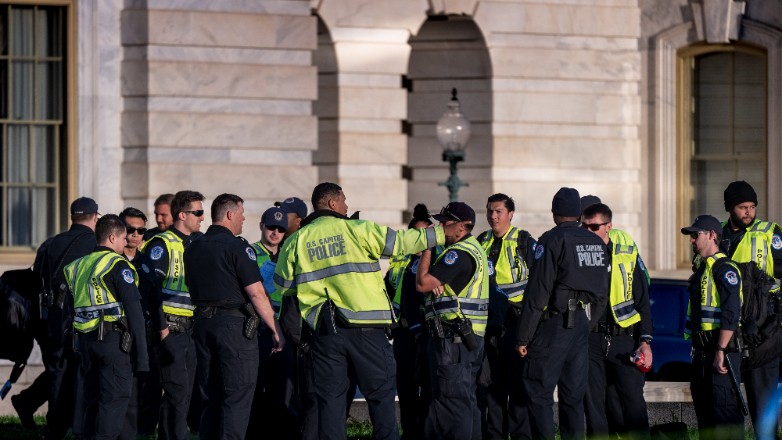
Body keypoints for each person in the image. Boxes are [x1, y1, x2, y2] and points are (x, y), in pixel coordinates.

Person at [274, 182, 450, 440]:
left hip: (324, 336)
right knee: (381, 401)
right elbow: (402, 242)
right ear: (333, 203)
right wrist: (442, 233)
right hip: (367, 332)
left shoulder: (296, 241)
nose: (347, 206)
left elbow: (284, 287)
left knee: (330, 406)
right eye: (344, 200)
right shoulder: (358, 229)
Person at [184, 193, 285, 440]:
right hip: (234, 330)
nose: (242, 220)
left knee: (211, 397)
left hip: (203, 326)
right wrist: (276, 329)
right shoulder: (238, 247)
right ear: (229, 214)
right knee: (237, 398)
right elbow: (257, 293)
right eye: (241, 214)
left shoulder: (193, 247)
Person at [514, 187, 609, 440]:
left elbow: (538, 292)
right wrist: (586, 325)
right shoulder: (595, 242)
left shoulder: (551, 240)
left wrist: (523, 337)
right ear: (579, 213)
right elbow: (602, 294)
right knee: (573, 396)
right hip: (580, 325)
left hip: (553, 325)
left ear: (555, 212)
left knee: (538, 391)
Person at [14, 197, 99, 439]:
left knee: (57, 371)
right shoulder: (94, 243)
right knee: (82, 369)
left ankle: (54, 427)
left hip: (52, 315)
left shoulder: (51, 243)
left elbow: (39, 277)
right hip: (82, 315)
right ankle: (78, 426)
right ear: (95, 217)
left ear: (72, 216)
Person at [65, 214, 149, 440]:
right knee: (113, 402)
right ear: (112, 238)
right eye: (123, 238)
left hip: (85, 343)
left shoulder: (77, 266)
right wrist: (142, 358)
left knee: (92, 401)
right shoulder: (118, 265)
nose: (126, 242)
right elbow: (134, 311)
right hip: (113, 344)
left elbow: (68, 310)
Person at [415, 201, 489, 440]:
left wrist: (427, 247)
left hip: (453, 340)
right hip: (464, 340)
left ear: (462, 226)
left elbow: (423, 283)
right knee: (464, 402)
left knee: (453, 404)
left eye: (445, 222)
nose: (440, 226)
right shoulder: (470, 249)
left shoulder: (458, 253)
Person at [581, 201, 653, 439]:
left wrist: (645, 340)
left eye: (594, 227)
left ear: (608, 226)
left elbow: (642, 297)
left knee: (632, 402)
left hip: (623, 338)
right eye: (585, 226)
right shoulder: (578, 252)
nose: (588, 232)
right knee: (595, 406)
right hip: (591, 339)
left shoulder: (626, 249)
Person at [719, 181, 782, 438]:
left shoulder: (769, 232)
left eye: (752, 207)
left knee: (762, 402)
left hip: (763, 326)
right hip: (731, 326)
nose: (749, 212)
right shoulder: (717, 235)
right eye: (743, 207)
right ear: (729, 208)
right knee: (727, 404)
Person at [141, 190, 205, 440]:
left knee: (185, 394)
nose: (202, 217)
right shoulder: (162, 244)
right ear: (182, 214)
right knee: (177, 392)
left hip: (191, 330)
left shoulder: (199, 242)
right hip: (170, 329)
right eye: (197, 212)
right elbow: (151, 289)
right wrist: (162, 329)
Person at [476, 193, 536, 440]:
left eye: (499, 211)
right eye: (490, 211)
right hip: (490, 324)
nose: (493, 216)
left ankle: (521, 436)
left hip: (516, 322)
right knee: (492, 386)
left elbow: (538, 281)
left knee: (518, 385)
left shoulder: (523, 240)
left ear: (511, 214)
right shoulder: (482, 241)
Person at [681, 215, 744, 440]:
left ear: (711, 235)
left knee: (724, 417)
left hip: (721, 353)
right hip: (702, 353)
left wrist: (721, 350)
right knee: (706, 420)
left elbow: (731, 312)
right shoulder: (702, 269)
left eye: (695, 235)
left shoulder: (724, 268)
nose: (692, 240)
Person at [246, 206, 298, 439]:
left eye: (280, 229)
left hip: (285, 327)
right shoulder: (250, 253)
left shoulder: (289, 253)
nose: (275, 233)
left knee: (283, 389)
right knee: (255, 386)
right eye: (271, 227)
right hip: (258, 327)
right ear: (261, 227)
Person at [384, 203, 434, 440]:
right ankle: (410, 433)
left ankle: (426, 432)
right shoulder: (399, 260)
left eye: (425, 234)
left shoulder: (438, 258)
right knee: (405, 385)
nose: (420, 240)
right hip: (402, 331)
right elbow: (385, 290)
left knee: (428, 383)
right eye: (416, 235)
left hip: (428, 331)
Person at [118, 207, 163, 439]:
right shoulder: (111, 259)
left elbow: (155, 297)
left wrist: (162, 326)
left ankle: (132, 432)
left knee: (140, 384)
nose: (135, 234)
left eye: (141, 230)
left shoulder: (145, 261)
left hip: (144, 331)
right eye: (130, 229)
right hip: (117, 330)